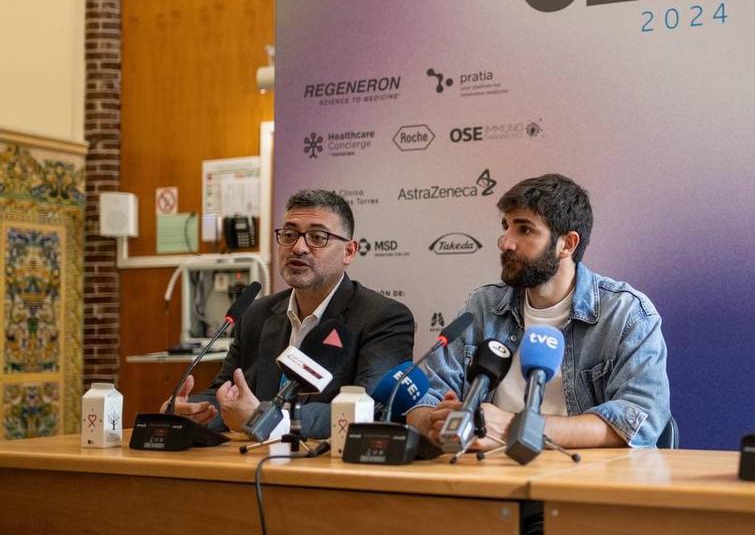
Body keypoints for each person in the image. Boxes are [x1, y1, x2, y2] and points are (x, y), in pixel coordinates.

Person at [406, 174, 670, 449]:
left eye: (525, 230)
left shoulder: (626, 313)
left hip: (587, 479)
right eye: (506, 227)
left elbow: (640, 420)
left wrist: (514, 428)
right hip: (487, 474)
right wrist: (435, 422)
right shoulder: (484, 305)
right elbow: (423, 397)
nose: (505, 242)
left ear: (567, 244)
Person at [162, 189, 415, 438]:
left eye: (317, 237)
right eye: (289, 234)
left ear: (349, 252)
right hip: (252, 464)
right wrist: (191, 411)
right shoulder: (255, 314)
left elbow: (370, 410)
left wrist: (265, 419)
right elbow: (226, 393)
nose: (298, 247)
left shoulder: (383, 318)